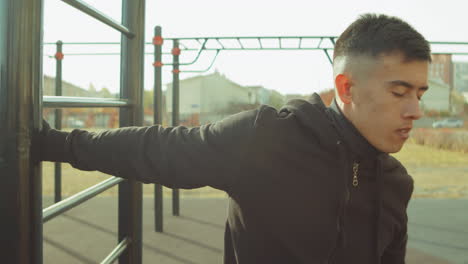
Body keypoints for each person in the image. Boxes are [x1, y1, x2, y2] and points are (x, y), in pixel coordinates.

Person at [36, 13, 431, 264]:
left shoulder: (397, 183)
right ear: (346, 88)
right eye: (400, 92)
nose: (415, 109)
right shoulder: (267, 140)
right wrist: (56, 144)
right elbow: (158, 148)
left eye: (420, 93)